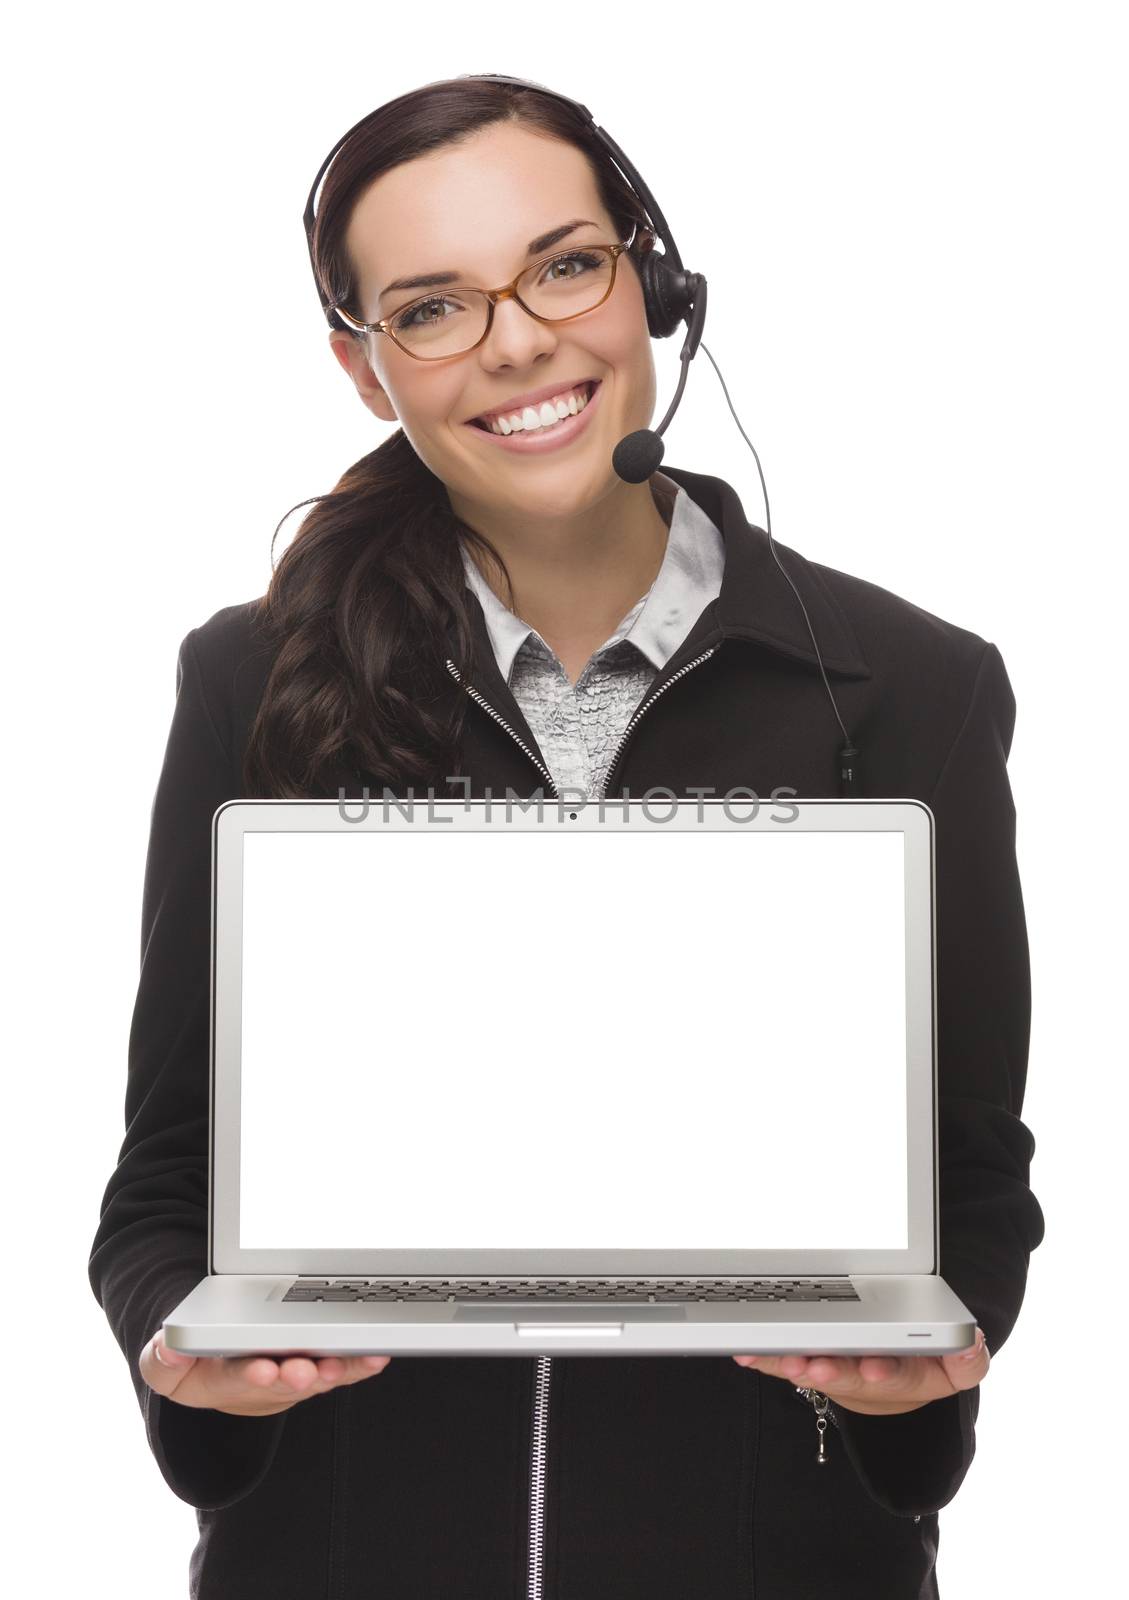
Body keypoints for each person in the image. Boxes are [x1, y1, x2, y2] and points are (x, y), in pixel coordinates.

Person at [88, 75, 1045, 1599]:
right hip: (343, 1554)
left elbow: (972, 1174)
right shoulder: (249, 680)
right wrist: (180, 1346)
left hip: (767, 1556)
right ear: (361, 365)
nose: (519, 340)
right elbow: (166, 1176)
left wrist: (930, 1357)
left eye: (562, 264)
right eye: (433, 306)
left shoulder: (913, 688)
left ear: (650, 279)